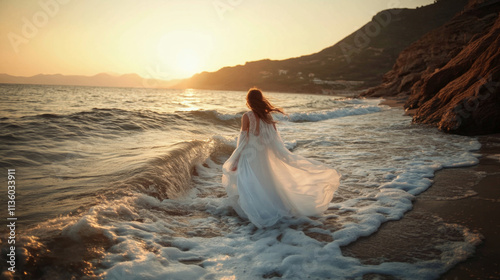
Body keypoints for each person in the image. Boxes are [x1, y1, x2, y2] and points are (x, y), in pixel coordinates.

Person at [222, 88, 341, 228]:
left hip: (250, 154)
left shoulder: (247, 116)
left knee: (249, 181)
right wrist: (279, 155)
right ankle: (272, 206)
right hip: (263, 154)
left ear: (248, 101)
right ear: (260, 100)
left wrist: (236, 158)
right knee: (266, 181)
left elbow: (243, 140)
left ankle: (256, 209)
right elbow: (274, 139)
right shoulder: (268, 117)